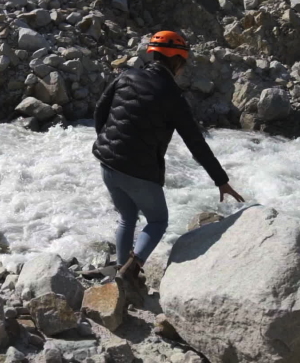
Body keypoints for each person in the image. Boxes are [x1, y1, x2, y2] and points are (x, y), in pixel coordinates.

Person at [92, 30, 245, 291]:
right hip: (139, 171)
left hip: (108, 164)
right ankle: (132, 268)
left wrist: (109, 144)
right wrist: (222, 181)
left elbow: (99, 112)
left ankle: (120, 273)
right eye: (183, 63)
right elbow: (196, 144)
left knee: (127, 217)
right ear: (176, 61)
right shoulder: (174, 97)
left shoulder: (126, 76)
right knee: (158, 221)